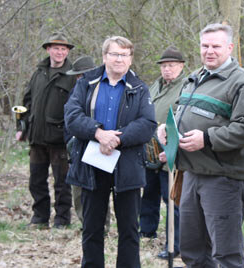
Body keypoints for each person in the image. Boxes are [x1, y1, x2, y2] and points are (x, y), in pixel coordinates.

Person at [158, 23, 244, 267]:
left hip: (223, 179)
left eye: (216, 46)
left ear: (229, 47)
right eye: (205, 46)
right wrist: (166, 128)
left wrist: (206, 139)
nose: (209, 51)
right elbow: (178, 113)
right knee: (193, 251)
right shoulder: (194, 78)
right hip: (191, 175)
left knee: (226, 254)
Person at [64, 36, 157, 267]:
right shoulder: (86, 83)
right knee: (92, 227)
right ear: (105, 56)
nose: (119, 59)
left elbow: (147, 124)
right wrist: (98, 133)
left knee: (129, 230)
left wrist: (116, 139)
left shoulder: (140, 88)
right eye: (114, 54)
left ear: (130, 59)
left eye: (124, 55)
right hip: (91, 166)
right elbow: (72, 116)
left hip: (127, 166)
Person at [16, 32, 75, 229]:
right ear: (48, 49)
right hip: (36, 136)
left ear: (67, 52)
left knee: (62, 183)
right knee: (36, 181)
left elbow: (76, 108)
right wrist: (22, 127)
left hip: (60, 139)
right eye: (56, 48)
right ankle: (40, 218)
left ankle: (62, 220)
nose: (60, 52)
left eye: (63, 49)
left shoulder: (72, 76)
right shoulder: (38, 73)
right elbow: (27, 102)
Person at [140, 46, 185, 259]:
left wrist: (171, 143)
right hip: (149, 147)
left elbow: (182, 117)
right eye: (164, 66)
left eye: (172, 66)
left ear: (181, 66)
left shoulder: (186, 87)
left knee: (172, 199)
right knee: (148, 193)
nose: (167, 70)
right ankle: (146, 230)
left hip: (171, 149)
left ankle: (175, 244)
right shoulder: (154, 86)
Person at [65, 55, 110, 230]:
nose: (79, 79)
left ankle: (102, 227)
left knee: (99, 188)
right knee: (78, 189)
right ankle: (86, 224)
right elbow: (69, 121)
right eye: (77, 76)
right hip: (76, 148)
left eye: (82, 75)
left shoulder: (105, 91)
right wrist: (70, 142)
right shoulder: (75, 93)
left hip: (97, 146)